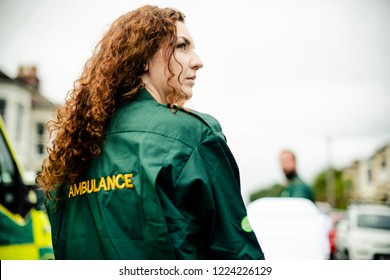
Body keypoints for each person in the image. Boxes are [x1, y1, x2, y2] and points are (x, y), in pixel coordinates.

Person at [36, 5, 264, 260]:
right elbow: (238, 256)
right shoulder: (192, 136)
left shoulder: (71, 153)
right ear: (143, 57)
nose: (198, 61)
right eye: (182, 46)